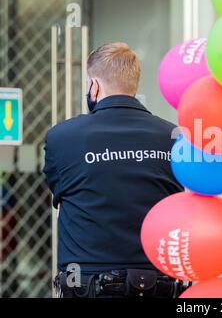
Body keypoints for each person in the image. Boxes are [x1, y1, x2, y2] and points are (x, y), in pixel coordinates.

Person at [43, 42, 185, 298]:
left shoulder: (61, 137)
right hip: (158, 284)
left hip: (88, 286)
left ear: (94, 86)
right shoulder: (173, 137)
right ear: (134, 84)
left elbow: (61, 196)